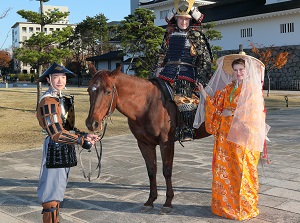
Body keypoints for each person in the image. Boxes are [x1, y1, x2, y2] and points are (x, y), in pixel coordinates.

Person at [195, 53, 269, 220]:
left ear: (247, 71)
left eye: (241, 69)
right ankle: (224, 206)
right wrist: (203, 93)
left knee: (242, 170)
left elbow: (254, 113)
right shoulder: (229, 88)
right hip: (225, 137)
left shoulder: (251, 90)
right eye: (235, 70)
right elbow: (215, 104)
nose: (238, 73)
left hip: (243, 138)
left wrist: (232, 112)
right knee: (225, 171)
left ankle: (244, 206)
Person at [36, 62, 100, 223]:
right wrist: (80, 141)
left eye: (63, 77)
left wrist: (85, 135)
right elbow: (56, 133)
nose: (60, 80)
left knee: (58, 191)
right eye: (56, 77)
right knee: (50, 193)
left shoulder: (60, 98)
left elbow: (67, 127)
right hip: (55, 149)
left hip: (64, 148)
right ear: (49, 80)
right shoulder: (48, 101)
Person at [153, 0, 213, 141]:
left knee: (182, 96)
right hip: (167, 70)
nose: (184, 22)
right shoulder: (169, 35)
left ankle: (187, 129)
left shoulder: (196, 36)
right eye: (181, 19)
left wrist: (202, 77)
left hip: (187, 72)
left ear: (190, 20)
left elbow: (205, 59)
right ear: (176, 19)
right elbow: (162, 54)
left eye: (186, 19)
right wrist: (158, 68)